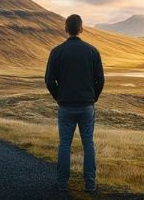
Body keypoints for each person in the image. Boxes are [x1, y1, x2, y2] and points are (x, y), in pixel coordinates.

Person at [45, 14, 105, 196]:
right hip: (87, 105)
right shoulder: (92, 51)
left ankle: (62, 184)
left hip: (65, 106)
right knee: (88, 143)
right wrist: (93, 98)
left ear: (65, 29)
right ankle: (90, 184)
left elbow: (49, 80)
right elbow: (100, 80)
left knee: (64, 144)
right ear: (81, 29)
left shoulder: (56, 52)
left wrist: (59, 97)